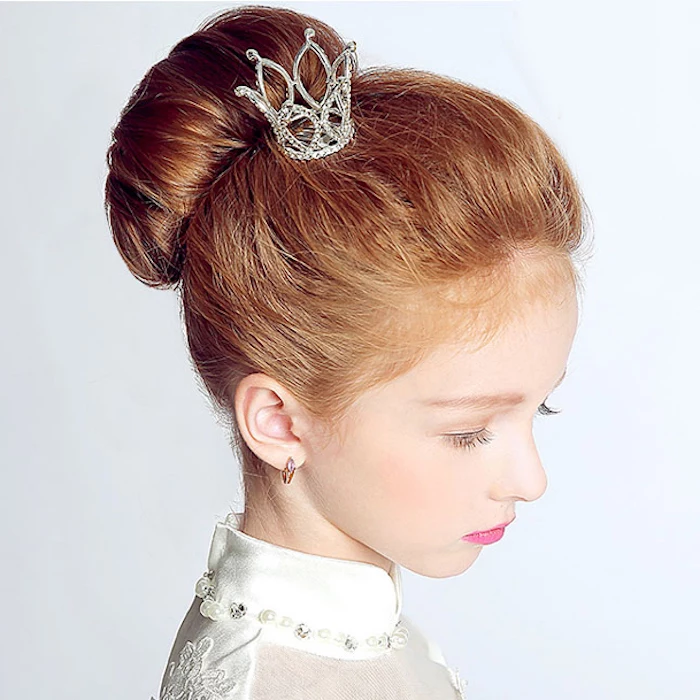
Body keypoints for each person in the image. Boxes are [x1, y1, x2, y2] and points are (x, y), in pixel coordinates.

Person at [104, 4, 591, 699]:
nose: (530, 480)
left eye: (538, 408)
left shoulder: (353, 647)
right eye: (468, 432)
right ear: (278, 421)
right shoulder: (270, 684)